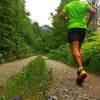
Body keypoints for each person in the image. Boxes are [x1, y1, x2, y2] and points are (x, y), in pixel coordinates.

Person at [59, 0, 96, 85]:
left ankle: (80, 69)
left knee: (74, 48)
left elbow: (61, 15)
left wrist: (66, 18)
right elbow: (93, 12)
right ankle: (80, 71)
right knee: (79, 48)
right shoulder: (84, 3)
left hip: (73, 28)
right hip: (83, 28)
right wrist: (87, 23)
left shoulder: (68, 6)